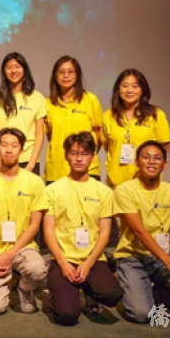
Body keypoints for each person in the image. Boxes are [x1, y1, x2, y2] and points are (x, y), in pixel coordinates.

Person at [43, 132, 123, 325]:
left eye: (85, 153)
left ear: (93, 157)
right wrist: (63, 263)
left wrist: (88, 263)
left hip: (92, 259)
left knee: (112, 295)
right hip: (63, 259)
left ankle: (90, 290)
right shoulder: (52, 190)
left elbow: (105, 232)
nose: (79, 158)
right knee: (67, 316)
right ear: (66, 156)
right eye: (74, 153)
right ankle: (62, 289)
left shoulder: (103, 191)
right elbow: (48, 231)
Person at [114, 141, 170, 323]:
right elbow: (138, 230)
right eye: (146, 157)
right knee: (142, 315)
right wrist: (168, 261)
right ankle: (128, 281)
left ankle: (161, 301)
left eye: (157, 158)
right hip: (132, 257)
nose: (151, 162)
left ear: (164, 165)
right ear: (137, 162)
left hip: (161, 256)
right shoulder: (125, 190)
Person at [0, 128, 48, 315]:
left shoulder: (34, 182)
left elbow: (34, 226)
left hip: (23, 247)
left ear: (22, 150)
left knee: (38, 270)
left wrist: (11, 254)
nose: (9, 150)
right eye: (4, 145)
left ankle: (24, 288)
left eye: (14, 146)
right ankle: (2, 281)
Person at [102, 69, 170, 188]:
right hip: (116, 184)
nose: (129, 90)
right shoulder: (108, 116)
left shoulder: (156, 115)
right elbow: (108, 147)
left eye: (135, 86)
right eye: (125, 86)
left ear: (142, 90)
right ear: (118, 90)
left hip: (146, 184)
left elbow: (164, 147)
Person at [44, 56, 104, 182]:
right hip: (56, 170)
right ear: (55, 76)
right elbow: (49, 134)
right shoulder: (47, 103)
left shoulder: (90, 100)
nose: (66, 76)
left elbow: (99, 133)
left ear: (77, 75)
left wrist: (85, 155)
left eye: (70, 72)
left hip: (87, 170)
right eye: (61, 72)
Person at [0, 52, 46, 175]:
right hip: (0, 160)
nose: (13, 71)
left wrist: (31, 165)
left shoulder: (37, 98)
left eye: (18, 67)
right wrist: (0, 164)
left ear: (25, 70)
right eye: (9, 67)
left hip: (27, 160)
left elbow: (40, 135)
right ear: (3, 71)